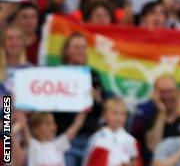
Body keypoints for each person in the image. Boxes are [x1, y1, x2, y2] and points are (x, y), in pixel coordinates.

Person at [53, 33, 104, 166]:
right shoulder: (56, 75)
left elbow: (102, 109)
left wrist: (98, 100)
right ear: (67, 50)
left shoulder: (93, 75)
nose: (81, 51)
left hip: (89, 138)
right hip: (65, 138)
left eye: (83, 48)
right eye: (76, 47)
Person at [132, 75, 180, 162]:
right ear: (154, 94)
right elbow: (153, 147)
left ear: (178, 92)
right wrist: (162, 112)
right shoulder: (147, 113)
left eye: (170, 91)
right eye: (162, 92)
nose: (167, 96)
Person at [83, 97, 142, 166]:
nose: (119, 117)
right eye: (115, 113)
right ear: (104, 115)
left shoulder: (131, 141)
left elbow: (137, 162)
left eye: (123, 114)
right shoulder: (98, 140)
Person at [22, 111, 87, 166]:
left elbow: (77, 124)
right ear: (35, 129)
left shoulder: (59, 144)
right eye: (48, 124)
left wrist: (85, 103)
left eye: (53, 123)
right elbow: (22, 122)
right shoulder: (32, 145)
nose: (54, 127)